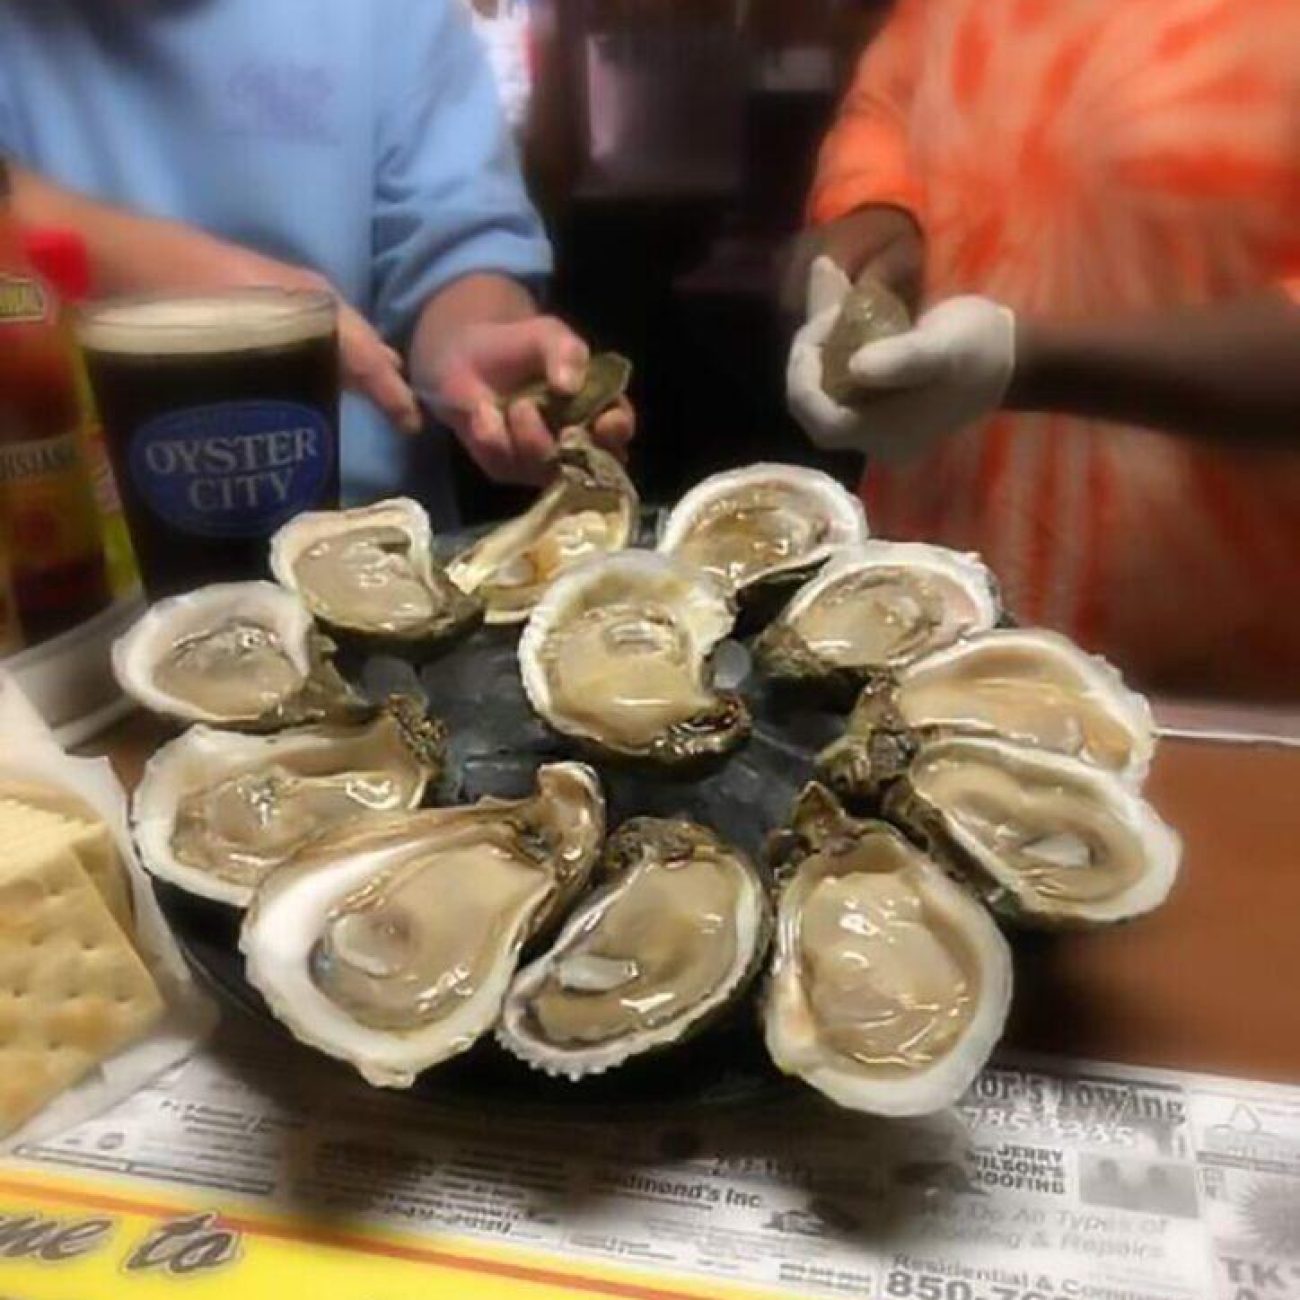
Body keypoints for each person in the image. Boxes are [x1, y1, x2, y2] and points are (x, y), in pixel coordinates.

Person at [788, 0, 1300, 697]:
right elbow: (885, 117)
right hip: (913, 642)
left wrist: (1023, 362)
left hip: (1211, 692)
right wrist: (876, 228)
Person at [0, 0, 632, 519]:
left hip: (364, 542)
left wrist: (473, 337)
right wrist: (215, 295)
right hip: (67, 560)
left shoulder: (395, 16)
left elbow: (454, 236)